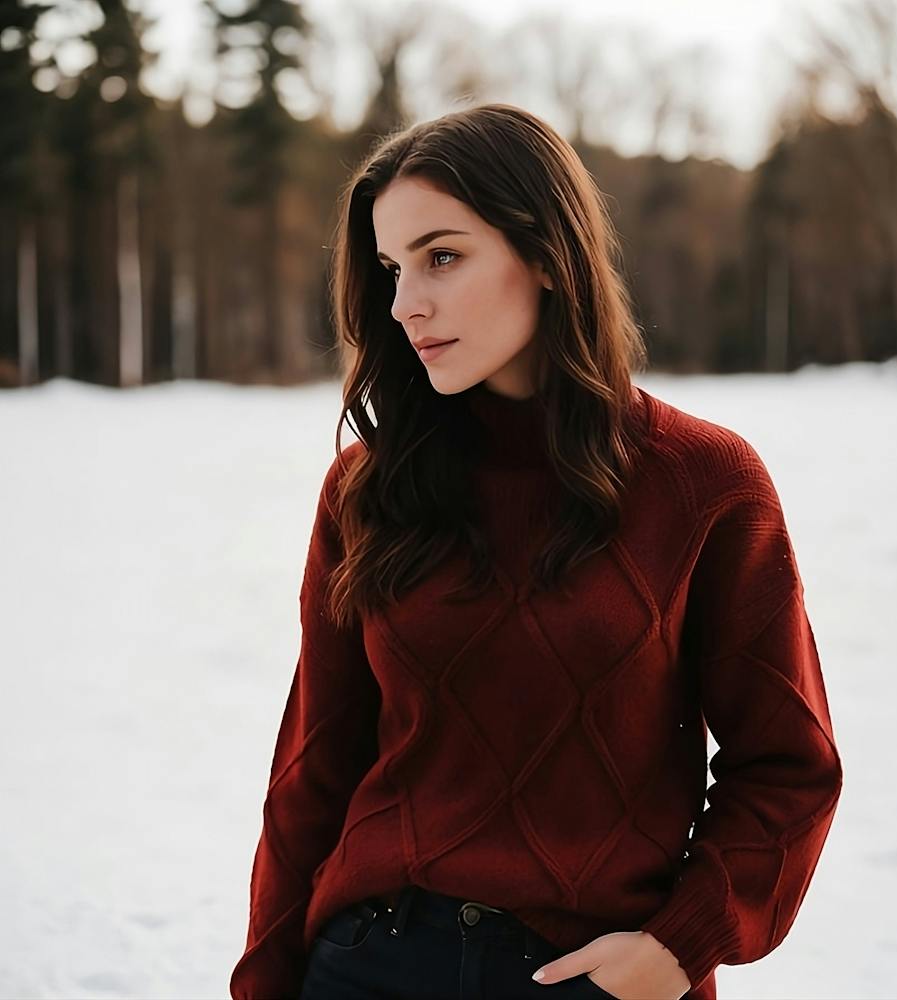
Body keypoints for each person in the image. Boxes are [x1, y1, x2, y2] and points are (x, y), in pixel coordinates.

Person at [229, 103, 843, 1000]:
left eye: (442, 256)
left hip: (593, 977)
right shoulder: (369, 490)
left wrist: (676, 948)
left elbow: (790, 765)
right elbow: (314, 770)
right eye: (392, 269)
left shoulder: (705, 485)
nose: (405, 303)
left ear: (550, 254)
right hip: (370, 964)